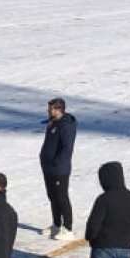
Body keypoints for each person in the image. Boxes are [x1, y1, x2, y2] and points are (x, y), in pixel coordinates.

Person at [39, 97, 77, 241]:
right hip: (48, 167)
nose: (48, 112)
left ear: (59, 109)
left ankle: (68, 228)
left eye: (50, 109)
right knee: (52, 196)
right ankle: (56, 224)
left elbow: (67, 148)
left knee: (62, 197)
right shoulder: (53, 122)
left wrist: (57, 162)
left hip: (59, 169)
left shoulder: (66, 126)